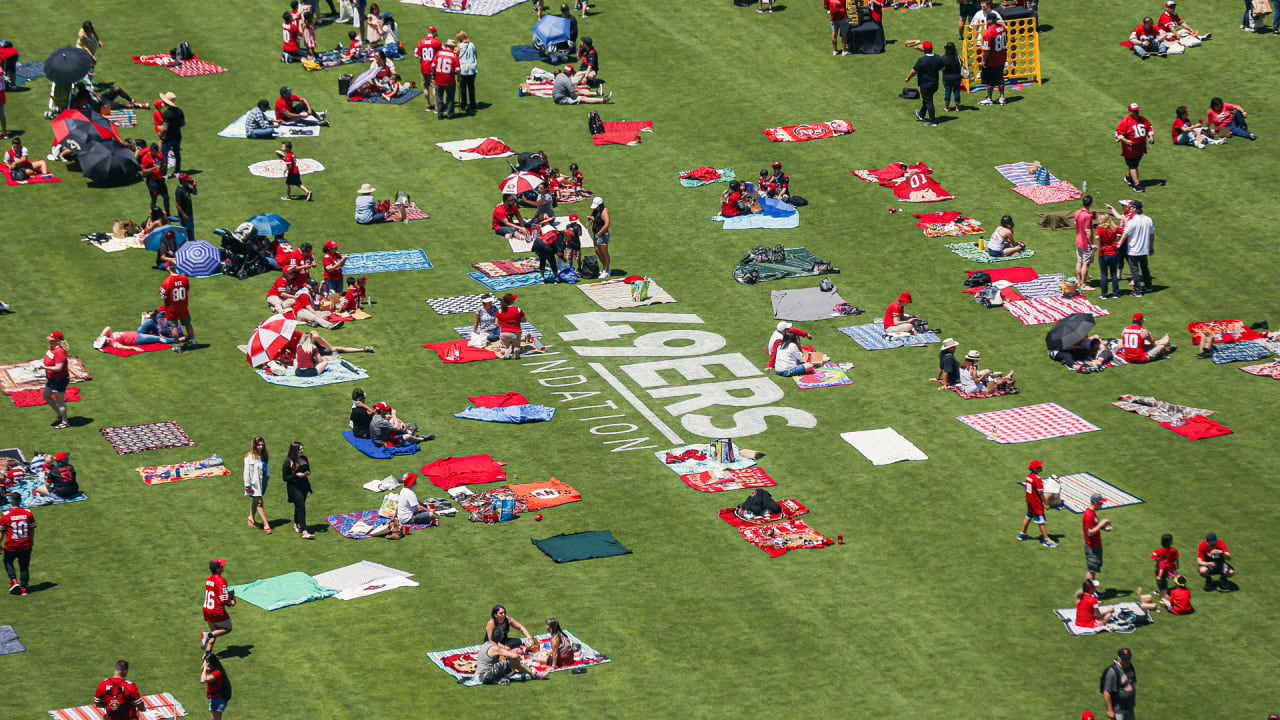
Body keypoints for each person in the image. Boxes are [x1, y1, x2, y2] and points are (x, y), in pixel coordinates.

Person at [1017, 459, 1059, 547]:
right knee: (1041, 521)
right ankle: (1046, 540)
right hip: (1036, 503)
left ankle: (1022, 534)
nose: (1041, 467)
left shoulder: (1028, 476)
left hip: (1030, 502)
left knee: (1028, 516)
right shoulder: (1037, 479)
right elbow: (1040, 493)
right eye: (1039, 466)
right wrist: (1046, 503)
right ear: (1035, 469)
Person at [1115, 103, 1154, 192]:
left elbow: (1149, 127)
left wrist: (1151, 137)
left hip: (1140, 148)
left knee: (1135, 164)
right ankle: (1137, 185)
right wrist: (1126, 141)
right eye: (1134, 111)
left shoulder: (1142, 119)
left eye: (1137, 110)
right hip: (1130, 149)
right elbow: (1118, 133)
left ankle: (1128, 177)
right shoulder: (1125, 121)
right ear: (1130, 112)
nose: (1137, 112)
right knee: (1133, 165)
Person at [1, 492, 34, 595]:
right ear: (20, 501)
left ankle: (14, 580)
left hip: (11, 544)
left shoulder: (6, 515)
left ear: (11, 501)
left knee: (7, 561)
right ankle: (24, 588)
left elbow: (1, 532)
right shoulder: (28, 513)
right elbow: (32, 528)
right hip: (26, 544)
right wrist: (31, 540)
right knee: (24, 566)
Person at [200, 558, 236, 652]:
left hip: (207, 609)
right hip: (217, 611)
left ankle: (207, 656)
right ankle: (207, 635)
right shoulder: (221, 580)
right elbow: (223, 599)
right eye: (221, 566)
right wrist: (231, 602)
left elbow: (216, 594)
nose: (223, 566)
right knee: (228, 628)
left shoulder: (208, 579)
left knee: (215, 632)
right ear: (217, 569)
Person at [905, 41, 943, 127]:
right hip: (935, 83)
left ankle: (933, 121)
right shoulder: (938, 57)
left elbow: (913, 71)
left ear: (924, 50)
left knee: (929, 101)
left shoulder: (922, 60)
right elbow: (943, 68)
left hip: (925, 84)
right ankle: (921, 114)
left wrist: (908, 78)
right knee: (927, 99)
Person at [160, 262, 196, 351]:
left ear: (168, 269)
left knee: (174, 327)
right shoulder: (184, 278)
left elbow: (163, 297)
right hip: (183, 306)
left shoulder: (166, 281)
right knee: (188, 324)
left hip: (172, 308)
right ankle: (194, 342)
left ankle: (178, 346)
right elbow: (187, 289)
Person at [477, 639, 545, 685]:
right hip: (487, 677)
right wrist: (517, 652)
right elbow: (514, 656)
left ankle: (532, 674)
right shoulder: (496, 649)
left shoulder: (486, 644)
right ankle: (532, 674)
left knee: (509, 662)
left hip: (483, 675)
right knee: (511, 660)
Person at [283, 441, 315, 539]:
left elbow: (308, 469)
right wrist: (296, 475)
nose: (302, 450)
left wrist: (306, 472)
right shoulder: (288, 462)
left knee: (299, 506)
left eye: (302, 449)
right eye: (300, 449)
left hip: (304, 486)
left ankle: (296, 524)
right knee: (301, 507)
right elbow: (285, 478)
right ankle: (305, 531)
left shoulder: (304, 459)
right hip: (294, 487)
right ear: (294, 451)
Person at [976, 12, 1008, 106]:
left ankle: (989, 98)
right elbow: (1006, 40)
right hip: (1001, 57)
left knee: (989, 80)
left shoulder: (988, 32)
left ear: (989, 20)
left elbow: (986, 50)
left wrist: (984, 61)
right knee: (1000, 78)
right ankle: (1002, 97)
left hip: (992, 60)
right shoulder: (1002, 28)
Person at [43, 330, 71, 429]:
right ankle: (60, 415)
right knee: (46, 395)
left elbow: (58, 368)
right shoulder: (52, 348)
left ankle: (65, 422)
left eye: (52, 340)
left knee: (60, 402)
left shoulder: (59, 352)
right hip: (52, 379)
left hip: (59, 380)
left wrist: (44, 367)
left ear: (58, 341)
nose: (50, 342)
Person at [243, 437, 271, 534]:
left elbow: (266, 467)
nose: (261, 447)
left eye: (262, 445)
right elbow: (246, 471)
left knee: (256, 500)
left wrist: (267, 476)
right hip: (253, 484)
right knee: (259, 502)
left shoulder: (264, 455)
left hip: (262, 481)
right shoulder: (249, 457)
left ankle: (251, 518)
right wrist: (247, 485)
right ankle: (266, 524)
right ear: (254, 445)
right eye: (259, 445)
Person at [1101, 648, 1137, 720]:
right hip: (1118, 710)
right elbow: (1106, 692)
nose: (1127, 660)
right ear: (1119, 659)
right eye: (1124, 659)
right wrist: (1110, 711)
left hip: (1129, 708)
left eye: (1128, 658)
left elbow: (1133, 682)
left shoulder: (1131, 667)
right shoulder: (1113, 671)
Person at [1083, 493, 1111, 583]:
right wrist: (1101, 524)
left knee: (1094, 569)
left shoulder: (1092, 513)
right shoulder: (1088, 515)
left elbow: (1094, 527)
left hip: (1096, 545)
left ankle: (1092, 591)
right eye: (1100, 503)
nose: (1102, 505)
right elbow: (1089, 532)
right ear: (1095, 502)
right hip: (1092, 547)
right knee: (1091, 570)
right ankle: (1088, 593)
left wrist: (1104, 528)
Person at [137, 141, 170, 214]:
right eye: (155, 152)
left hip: (160, 179)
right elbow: (144, 171)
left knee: (166, 197)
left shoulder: (159, 155)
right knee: (154, 199)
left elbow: (163, 163)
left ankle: (168, 214)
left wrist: (162, 166)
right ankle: (154, 216)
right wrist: (154, 168)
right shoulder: (145, 158)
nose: (157, 154)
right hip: (152, 181)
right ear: (151, 150)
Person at [1095, 215, 1122, 299]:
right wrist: (1119, 241)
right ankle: (1116, 293)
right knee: (1114, 274)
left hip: (1103, 253)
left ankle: (1104, 294)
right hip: (1113, 253)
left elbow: (1097, 237)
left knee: (1104, 274)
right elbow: (1125, 231)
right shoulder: (1114, 228)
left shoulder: (1100, 228)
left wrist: (1100, 246)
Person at [157, 91, 184, 177]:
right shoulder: (179, 111)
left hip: (168, 137)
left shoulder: (166, 114)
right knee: (177, 153)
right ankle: (178, 170)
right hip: (177, 135)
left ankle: (164, 173)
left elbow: (165, 127)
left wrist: (160, 133)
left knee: (164, 154)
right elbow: (183, 123)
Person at [92, 324, 177, 351]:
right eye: (105, 339)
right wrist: (133, 348)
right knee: (158, 339)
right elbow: (121, 347)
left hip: (137, 332)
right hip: (138, 338)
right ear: (106, 342)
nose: (106, 338)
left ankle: (160, 333)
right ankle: (177, 340)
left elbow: (108, 327)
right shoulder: (114, 343)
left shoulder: (110, 336)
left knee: (150, 321)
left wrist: (100, 336)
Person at [200, 653, 232, 720]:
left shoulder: (217, 673)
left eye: (208, 663)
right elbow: (202, 671)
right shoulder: (215, 670)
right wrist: (204, 663)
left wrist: (205, 668)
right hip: (216, 698)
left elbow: (203, 680)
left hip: (217, 699)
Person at [432, 39, 459, 120]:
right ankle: (450, 115)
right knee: (450, 98)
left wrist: (433, 75)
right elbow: (458, 70)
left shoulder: (438, 53)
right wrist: (458, 76)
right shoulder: (454, 55)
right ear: (452, 47)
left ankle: (440, 115)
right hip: (449, 80)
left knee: (439, 97)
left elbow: (433, 66)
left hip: (439, 79)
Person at [1149, 533, 1179, 604]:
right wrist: (1177, 565)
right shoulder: (1174, 550)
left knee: (1164, 579)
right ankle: (1179, 588)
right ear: (1170, 542)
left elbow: (1159, 560)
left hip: (1164, 568)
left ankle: (1162, 591)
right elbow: (1176, 558)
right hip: (1171, 567)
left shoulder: (1161, 550)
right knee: (1175, 577)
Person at [496, 293, 527, 359]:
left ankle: (506, 351)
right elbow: (524, 320)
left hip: (504, 333)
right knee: (517, 347)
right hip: (516, 333)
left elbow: (497, 323)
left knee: (503, 348)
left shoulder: (500, 310)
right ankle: (515, 351)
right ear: (511, 301)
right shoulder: (518, 310)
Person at [456, 31, 478, 113]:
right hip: (472, 68)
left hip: (463, 69)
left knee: (463, 89)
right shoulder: (472, 44)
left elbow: (455, 56)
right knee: (471, 87)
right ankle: (473, 105)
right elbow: (476, 55)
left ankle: (463, 105)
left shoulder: (459, 46)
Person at [939, 42, 964, 113]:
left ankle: (947, 108)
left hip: (947, 78)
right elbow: (962, 64)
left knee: (947, 92)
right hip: (957, 77)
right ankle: (957, 108)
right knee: (957, 92)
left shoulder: (943, 58)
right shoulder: (958, 57)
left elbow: (941, 68)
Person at [590, 196, 611, 278]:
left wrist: (600, 232)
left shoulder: (604, 211)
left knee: (604, 253)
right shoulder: (596, 211)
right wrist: (591, 218)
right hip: (596, 233)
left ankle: (606, 271)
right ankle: (604, 267)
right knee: (597, 251)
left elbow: (607, 224)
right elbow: (596, 219)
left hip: (602, 235)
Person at [174, 174, 197, 241]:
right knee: (184, 235)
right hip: (185, 217)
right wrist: (184, 215)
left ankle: (192, 247)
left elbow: (195, 193)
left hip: (190, 214)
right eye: (187, 180)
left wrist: (194, 186)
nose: (188, 181)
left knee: (191, 234)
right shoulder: (179, 190)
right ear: (183, 181)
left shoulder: (186, 187)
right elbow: (177, 204)